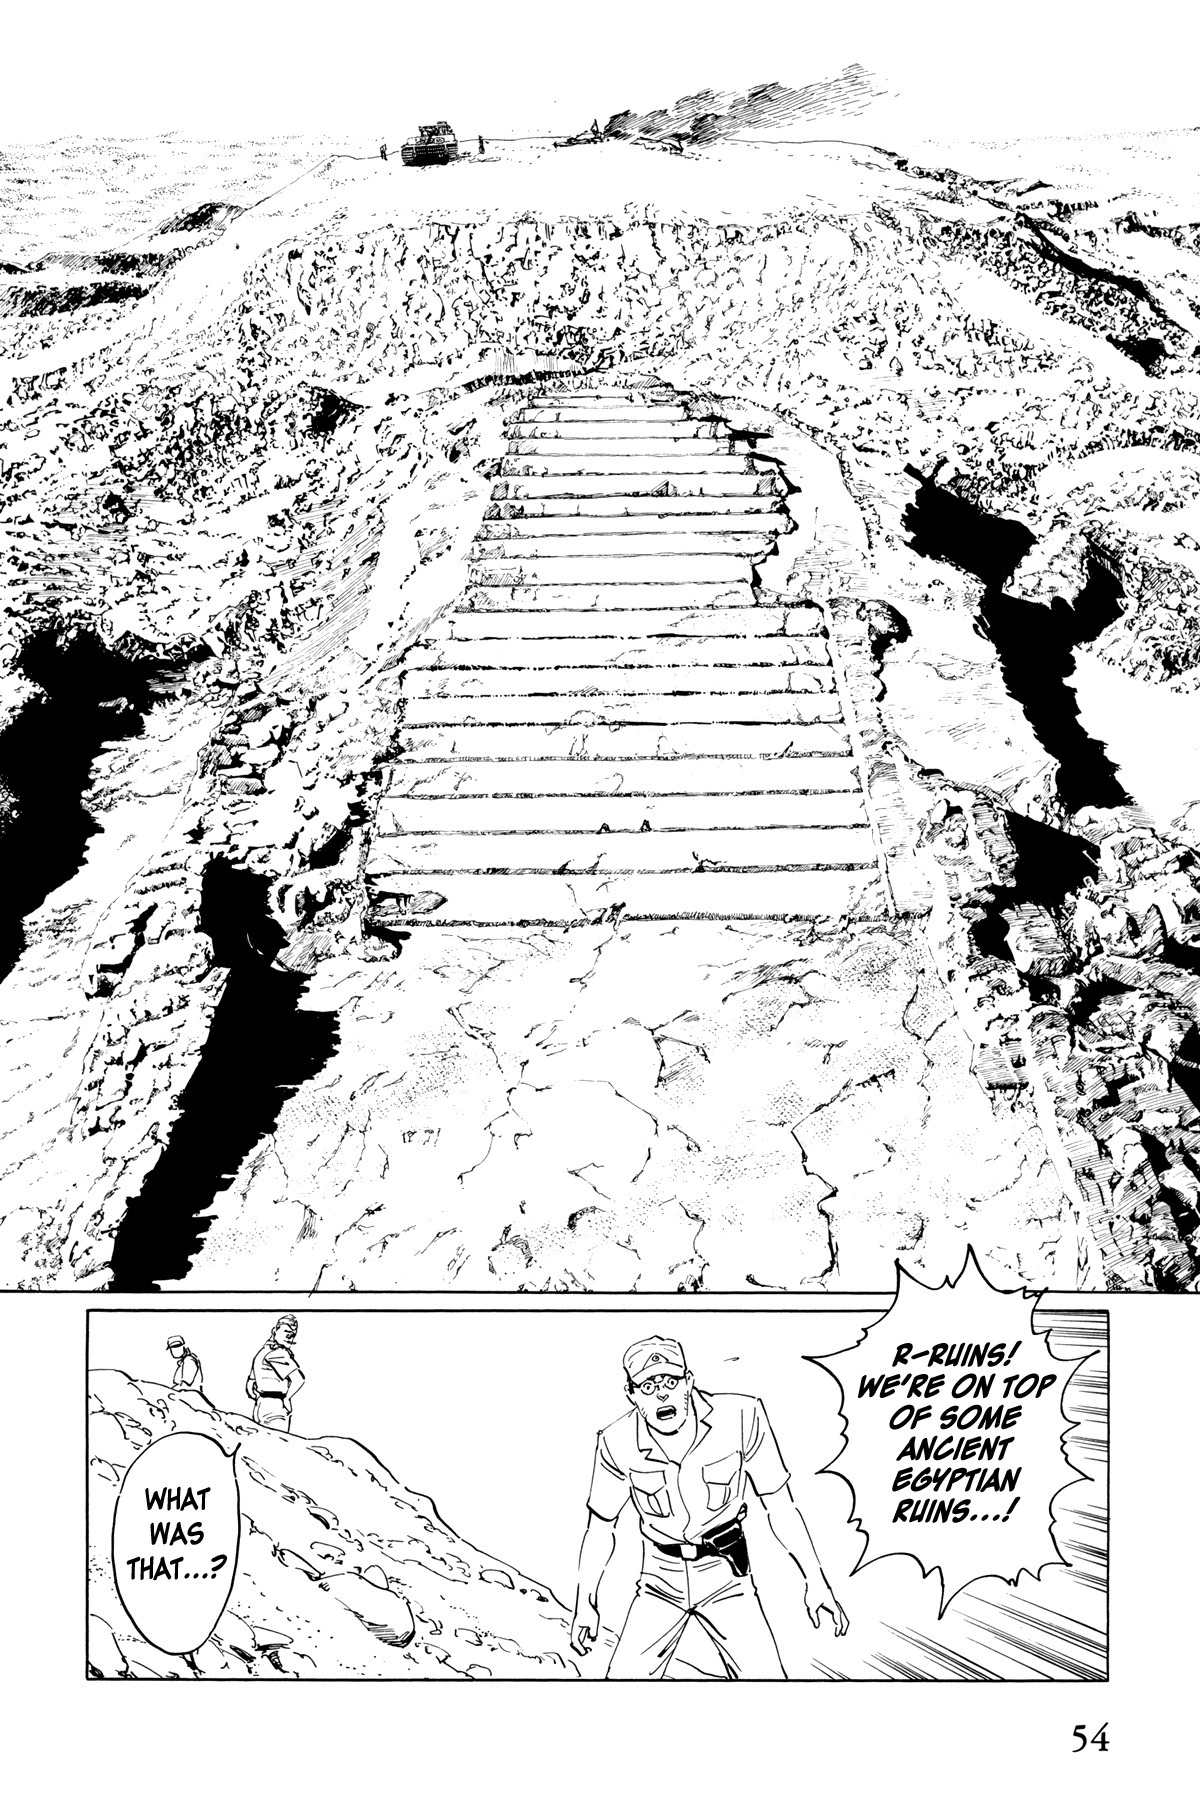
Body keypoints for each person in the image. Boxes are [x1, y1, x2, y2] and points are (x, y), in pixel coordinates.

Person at [570, 1335, 848, 1679]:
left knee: (769, 1683)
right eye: (648, 1386)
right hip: (659, 1580)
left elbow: (780, 1505)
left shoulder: (742, 1416)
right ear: (631, 1394)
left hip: (726, 1577)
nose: (661, 1394)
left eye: (670, 1381)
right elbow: (600, 1528)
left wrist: (816, 1581)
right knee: (621, 1684)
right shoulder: (615, 1441)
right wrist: (586, 1602)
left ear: (688, 1382)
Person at [247, 1315, 304, 1431]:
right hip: (275, 1408)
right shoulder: (279, 1353)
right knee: (278, 1441)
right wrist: (287, 1398)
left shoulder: (262, 1352)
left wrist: (259, 1398)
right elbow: (299, 1379)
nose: (290, 1337)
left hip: (260, 1406)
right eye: (286, 1332)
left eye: (293, 1334)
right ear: (275, 1331)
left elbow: (250, 1384)